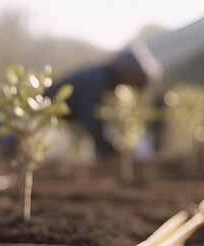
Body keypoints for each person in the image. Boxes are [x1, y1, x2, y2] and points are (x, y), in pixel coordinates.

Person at [48, 18, 204, 156]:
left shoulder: (103, 78)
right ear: (126, 75)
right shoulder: (96, 81)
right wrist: (107, 148)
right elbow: (92, 119)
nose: (132, 87)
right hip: (44, 117)